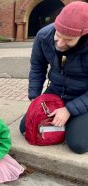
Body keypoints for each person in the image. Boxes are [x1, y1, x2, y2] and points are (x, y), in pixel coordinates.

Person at [19, 1, 88, 154]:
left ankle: (76, 120)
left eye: (69, 40)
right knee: (26, 128)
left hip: (83, 95)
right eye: (58, 36)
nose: (60, 43)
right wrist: (35, 99)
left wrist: (69, 110)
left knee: (78, 144)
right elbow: (37, 67)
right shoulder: (43, 36)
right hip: (56, 91)